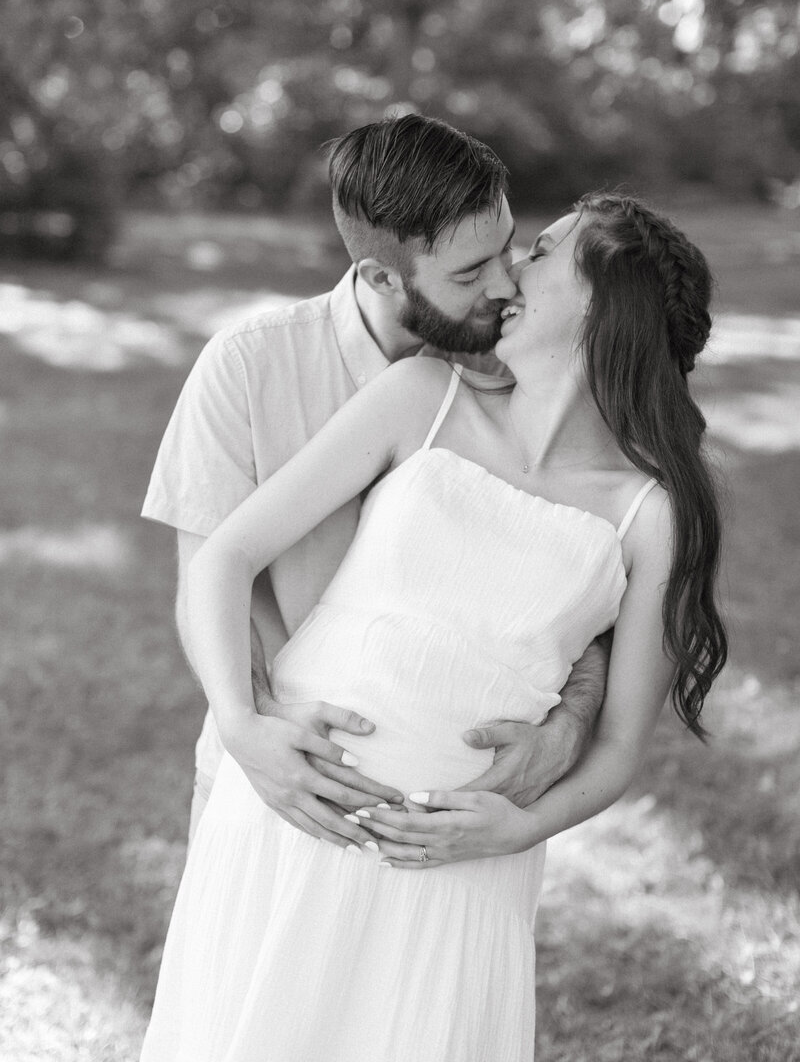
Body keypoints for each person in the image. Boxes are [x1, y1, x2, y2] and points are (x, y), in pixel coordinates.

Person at [139, 192, 727, 1061]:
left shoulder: (651, 512)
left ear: (602, 304)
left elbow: (616, 749)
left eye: (542, 252)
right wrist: (243, 725)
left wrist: (518, 829)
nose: (512, 269)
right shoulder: (425, 396)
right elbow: (223, 559)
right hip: (293, 803)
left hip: (461, 864)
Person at [142, 114, 608, 851]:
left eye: (506, 250)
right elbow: (207, 577)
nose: (504, 285)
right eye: (466, 274)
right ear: (380, 275)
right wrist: (248, 730)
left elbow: (583, 568)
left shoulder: (520, 370)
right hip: (284, 784)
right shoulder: (247, 367)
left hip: (452, 815)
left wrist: (569, 727)